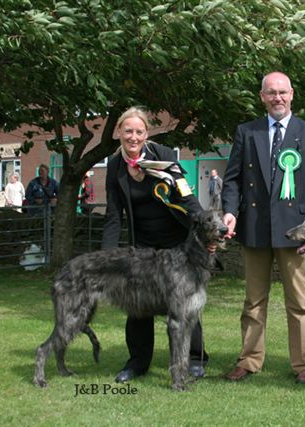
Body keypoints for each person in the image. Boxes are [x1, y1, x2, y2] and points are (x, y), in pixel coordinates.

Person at [221, 71, 305, 384]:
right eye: (271, 93)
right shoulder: (247, 131)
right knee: (253, 301)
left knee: (299, 301)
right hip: (254, 227)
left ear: (292, 94)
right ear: (262, 97)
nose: (277, 98)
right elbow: (232, 179)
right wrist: (229, 211)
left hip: (297, 231)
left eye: (282, 92)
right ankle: (249, 360)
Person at [101, 106, 209, 383]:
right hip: (142, 245)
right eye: (128, 131)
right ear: (119, 133)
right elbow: (113, 215)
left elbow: (185, 193)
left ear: (146, 133)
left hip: (176, 240)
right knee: (138, 305)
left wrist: (204, 224)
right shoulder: (114, 165)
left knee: (185, 303)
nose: (133, 137)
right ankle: (137, 362)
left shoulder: (162, 156)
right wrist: (107, 257)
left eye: (139, 131)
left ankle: (194, 359)